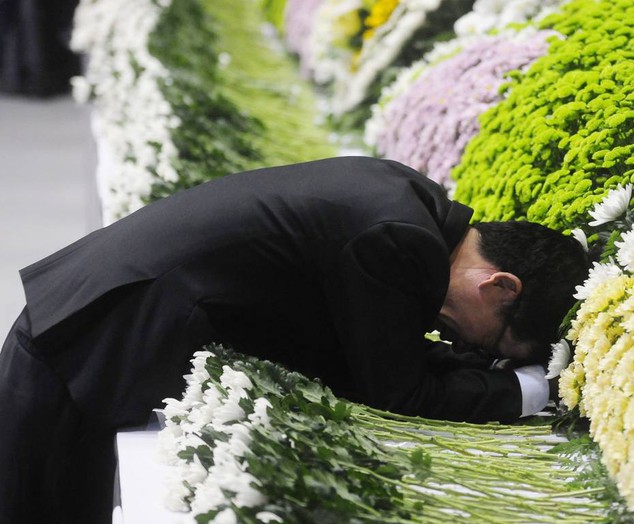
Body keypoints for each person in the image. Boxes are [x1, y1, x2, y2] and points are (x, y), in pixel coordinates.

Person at [0, 156, 590, 523]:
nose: (476, 350)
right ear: (500, 286)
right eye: (497, 344)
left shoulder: (409, 204)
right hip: (88, 344)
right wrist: (526, 391)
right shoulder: (397, 241)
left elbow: (374, 351)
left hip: (97, 321)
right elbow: (400, 390)